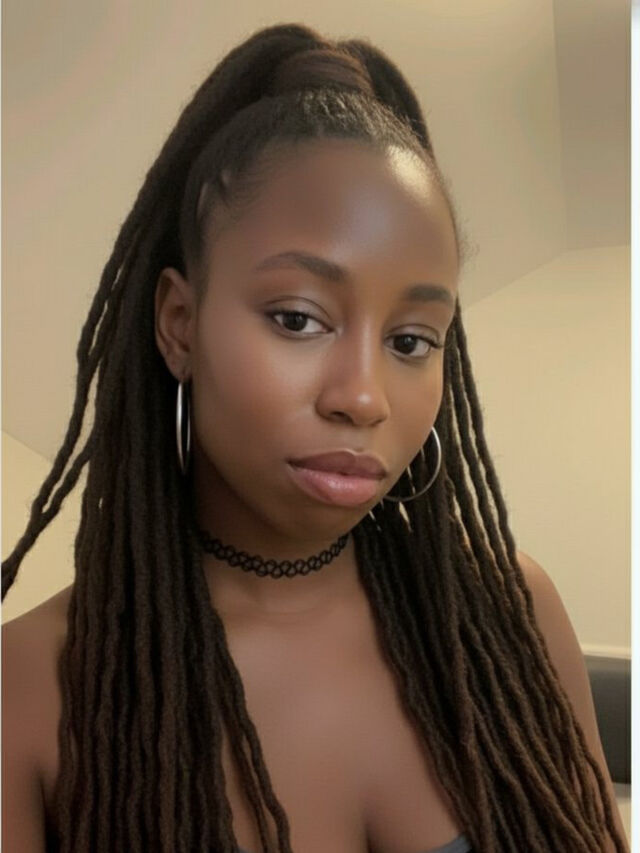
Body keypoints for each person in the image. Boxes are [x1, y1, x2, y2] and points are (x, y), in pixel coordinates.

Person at [1, 21, 628, 853]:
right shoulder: (29, 691)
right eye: (298, 319)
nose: (363, 396)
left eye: (411, 340)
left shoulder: (514, 611)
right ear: (179, 323)